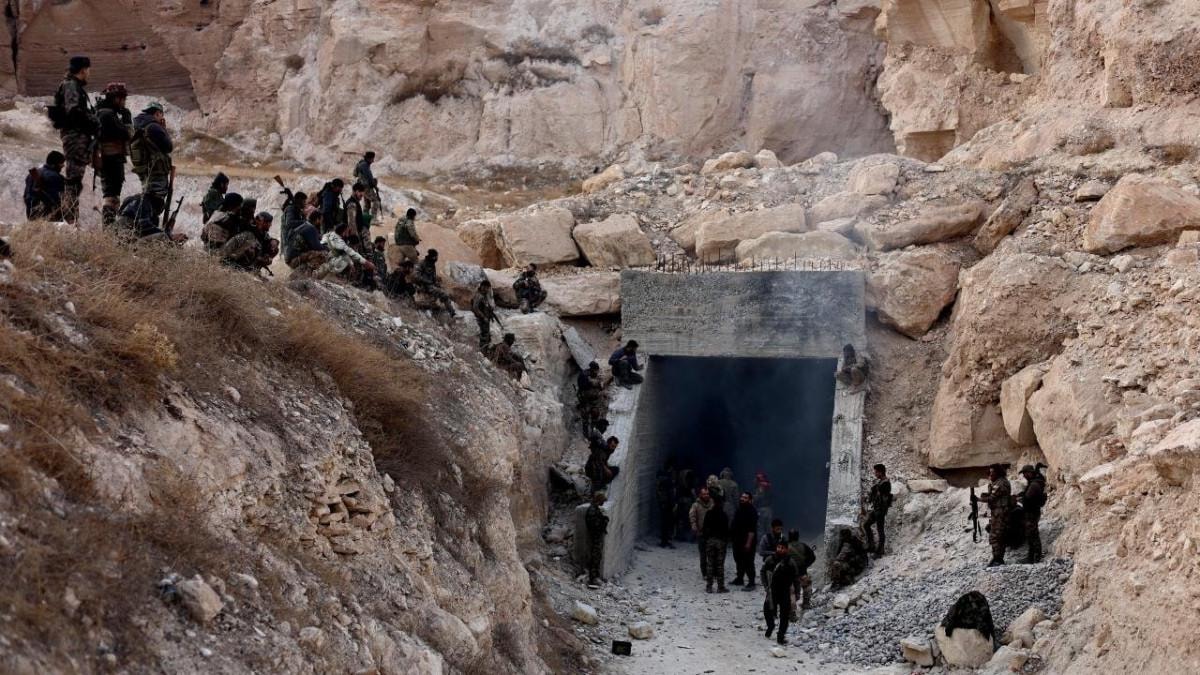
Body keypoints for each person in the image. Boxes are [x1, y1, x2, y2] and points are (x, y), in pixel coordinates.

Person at [50, 55, 96, 224]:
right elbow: (74, 111)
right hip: (75, 137)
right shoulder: (71, 85)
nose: (89, 73)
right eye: (88, 70)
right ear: (83, 70)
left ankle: (69, 220)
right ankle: (69, 221)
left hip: (77, 136)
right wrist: (94, 121)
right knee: (73, 181)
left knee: (75, 180)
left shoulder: (73, 85)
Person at [94, 82, 132, 224]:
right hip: (111, 160)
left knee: (112, 196)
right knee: (111, 197)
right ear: (116, 98)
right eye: (123, 99)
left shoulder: (105, 113)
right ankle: (108, 230)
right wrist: (127, 120)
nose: (124, 103)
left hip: (110, 160)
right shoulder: (107, 115)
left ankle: (109, 228)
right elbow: (128, 135)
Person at [129, 102, 173, 199]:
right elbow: (169, 147)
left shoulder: (139, 126)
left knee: (148, 196)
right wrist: (163, 129)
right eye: (161, 115)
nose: (162, 118)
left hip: (145, 170)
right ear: (157, 113)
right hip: (156, 171)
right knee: (156, 199)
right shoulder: (154, 127)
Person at [762, 541, 800, 645]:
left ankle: (780, 636)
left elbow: (796, 579)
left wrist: (797, 593)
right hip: (772, 591)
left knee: (784, 615)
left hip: (785, 591)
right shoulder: (770, 559)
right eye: (778, 547)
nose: (780, 549)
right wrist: (766, 586)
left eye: (782, 548)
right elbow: (763, 572)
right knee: (767, 610)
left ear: (787, 549)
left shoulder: (791, 562)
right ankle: (770, 626)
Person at [978, 464, 1013, 567]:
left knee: (995, 536)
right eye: (990, 472)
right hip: (999, 513)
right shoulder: (1000, 482)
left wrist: (979, 499)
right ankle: (997, 558)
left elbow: (992, 498)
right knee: (998, 535)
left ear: (998, 472)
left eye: (992, 472)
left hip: (1000, 514)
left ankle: (998, 559)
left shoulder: (1000, 483)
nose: (990, 474)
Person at [24, 151, 66, 221]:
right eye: (61, 163)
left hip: (31, 215)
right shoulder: (55, 177)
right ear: (54, 164)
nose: (63, 165)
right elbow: (58, 200)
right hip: (49, 217)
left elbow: (26, 196)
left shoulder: (30, 175)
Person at [1018, 464, 1047, 564]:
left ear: (1030, 473)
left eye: (1025, 473)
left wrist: (1019, 499)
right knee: (1030, 534)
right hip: (1031, 511)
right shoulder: (1034, 482)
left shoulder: (1034, 484)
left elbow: (1028, 498)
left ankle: (1036, 557)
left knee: (1033, 534)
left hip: (1032, 512)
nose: (1024, 475)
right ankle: (1031, 557)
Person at [285, 210, 329, 275]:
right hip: (294, 259)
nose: (321, 222)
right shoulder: (311, 228)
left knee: (311, 254)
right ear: (317, 219)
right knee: (322, 254)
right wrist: (327, 247)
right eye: (321, 220)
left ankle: (300, 273)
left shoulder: (304, 225)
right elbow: (317, 247)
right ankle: (306, 275)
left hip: (289, 258)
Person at [701, 496, 730, 593]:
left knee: (710, 564)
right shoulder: (724, 515)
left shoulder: (709, 513)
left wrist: (707, 539)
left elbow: (704, 528)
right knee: (720, 565)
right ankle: (720, 587)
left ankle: (709, 586)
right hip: (720, 541)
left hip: (710, 540)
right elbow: (726, 530)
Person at [730, 491, 758, 590]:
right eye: (742, 497)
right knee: (738, 560)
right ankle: (740, 578)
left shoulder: (752, 511)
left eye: (745, 497)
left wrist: (748, 543)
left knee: (748, 561)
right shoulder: (739, 509)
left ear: (750, 500)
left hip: (747, 541)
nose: (742, 499)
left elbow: (752, 530)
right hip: (737, 540)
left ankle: (751, 582)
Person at [863, 463, 892, 558]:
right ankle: (871, 545)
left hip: (880, 510)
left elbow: (884, 496)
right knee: (866, 524)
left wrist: (875, 489)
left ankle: (880, 551)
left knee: (880, 530)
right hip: (876, 509)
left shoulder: (886, 483)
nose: (875, 474)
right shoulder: (880, 482)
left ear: (880, 472)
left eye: (876, 472)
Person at [413, 249, 455, 314]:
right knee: (444, 294)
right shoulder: (421, 263)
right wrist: (427, 281)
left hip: (431, 285)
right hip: (424, 286)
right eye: (436, 256)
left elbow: (433, 277)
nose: (437, 258)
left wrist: (436, 283)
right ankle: (452, 313)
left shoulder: (431, 264)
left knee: (447, 292)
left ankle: (442, 307)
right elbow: (416, 276)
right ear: (433, 257)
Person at [689, 487, 715, 579]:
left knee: (712, 554)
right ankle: (705, 573)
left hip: (712, 533)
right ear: (700, 495)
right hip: (701, 533)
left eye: (707, 494)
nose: (706, 495)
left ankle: (713, 572)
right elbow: (692, 516)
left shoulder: (713, 504)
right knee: (703, 555)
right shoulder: (696, 505)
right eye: (704, 494)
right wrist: (694, 525)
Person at [786, 530, 816, 610]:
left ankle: (792, 611)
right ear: (797, 536)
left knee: (790, 593)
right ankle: (806, 604)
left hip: (788, 574)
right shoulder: (803, 545)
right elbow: (812, 557)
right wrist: (805, 565)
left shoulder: (784, 546)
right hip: (801, 573)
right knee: (807, 586)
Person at [584, 491, 608, 586]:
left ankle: (595, 577)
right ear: (599, 500)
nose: (603, 503)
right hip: (595, 538)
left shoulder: (595, 509)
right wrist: (604, 521)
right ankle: (593, 578)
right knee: (595, 558)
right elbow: (594, 525)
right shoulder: (592, 510)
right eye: (602, 501)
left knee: (597, 557)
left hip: (597, 537)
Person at [576, 361, 606, 436]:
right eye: (596, 370)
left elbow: (599, 385)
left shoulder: (591, 374)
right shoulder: (584, 376)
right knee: (585, 416)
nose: (597, 372)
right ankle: (586, 434)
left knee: (595, 413)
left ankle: (593, 431)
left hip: (591, 399)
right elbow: (585, 387)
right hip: (585, 398)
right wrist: (594, 384)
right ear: (592, 369)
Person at [470, 280, 499, 350]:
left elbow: (486, 306)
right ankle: (483, 349)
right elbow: (475, 308)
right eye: (487, 288)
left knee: (487, 334)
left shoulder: (484, 295)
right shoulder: (479, 296)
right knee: (484, 335)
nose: (488, 290)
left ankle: (486, 348)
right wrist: (483, 317)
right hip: (481, 319)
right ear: (483, 287)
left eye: (488, 288)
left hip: (485, 318)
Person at [655, 461, 676, 548]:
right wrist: (673, 503)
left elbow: (659, 492)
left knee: (664, 522)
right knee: (667, 522)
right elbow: (670, 493)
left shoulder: (660, 478)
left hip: (663, 503)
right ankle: (665, 541)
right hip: (667, 503)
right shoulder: (667, 480)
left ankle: (664, 540)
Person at [354, 151, 381, 216]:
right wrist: (375, 186)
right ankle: (373, 217)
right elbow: (369, 177)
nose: (373, 161)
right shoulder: (364, 165)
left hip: (363, 187)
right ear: (369, 158)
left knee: (367, 204)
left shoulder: (362, 164)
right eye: (372, 159)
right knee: (376, 201)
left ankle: (365, 217)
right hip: (366, 187)